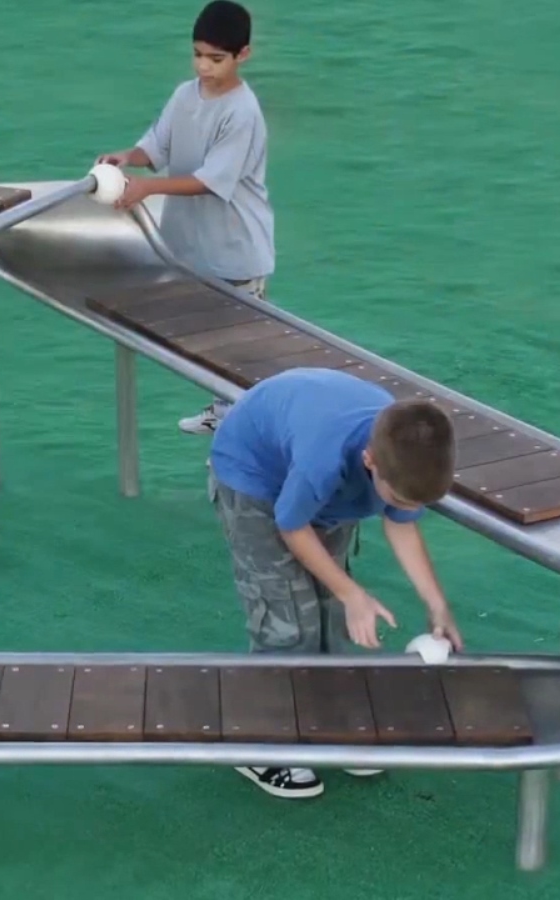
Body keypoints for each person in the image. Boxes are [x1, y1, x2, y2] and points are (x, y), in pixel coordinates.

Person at [206, 367, 464, 799]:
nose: (407, 508)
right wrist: (352, 592)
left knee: (332, 615)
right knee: (286, 619)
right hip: (254, 480)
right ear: (369, 462)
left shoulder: (400, 458)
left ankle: (328, 722)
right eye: (399, 498)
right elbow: (291, 524)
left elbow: (402, 524)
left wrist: (436, 604)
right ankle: (256, 740)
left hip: (322, 495)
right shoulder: (321, 458)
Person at [95, 0, 275, 436]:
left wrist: (144, 188)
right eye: (198, 55)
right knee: (211, 339)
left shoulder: (243, 112)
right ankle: (224, 410)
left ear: (242, 55)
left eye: (216, 59)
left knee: (241, 346)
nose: (204, 67)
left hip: (238, 251)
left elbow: (210, 181)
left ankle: (251, 425)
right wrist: (127, 158)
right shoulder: (183, 95)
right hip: (195, 248)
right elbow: (156, 148)